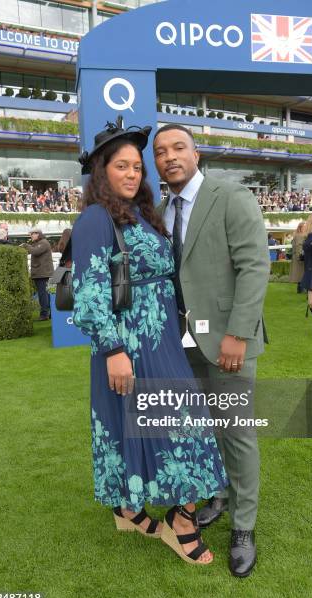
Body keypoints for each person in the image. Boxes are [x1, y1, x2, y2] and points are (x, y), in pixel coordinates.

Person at [72, 119, 227, 566]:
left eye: (137, 167)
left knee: (177, 425)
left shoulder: (143, 214)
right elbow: (89, 295)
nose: (133, 174)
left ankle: (134, 509)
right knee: (175, 426)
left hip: (163, 339)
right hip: (128, 346)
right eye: (121, 166)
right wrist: (113, 351)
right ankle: (176, 522)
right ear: (102, 172)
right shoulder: (94, 219)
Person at [153, 123, 270, 578]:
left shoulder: (231, 196)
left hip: (227, 342)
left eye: (178, 147)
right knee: (202, 430)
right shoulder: (161, 209)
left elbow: (254, 266)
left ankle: (244, 527)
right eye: (161, 152)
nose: (170, 157)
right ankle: (218, 495)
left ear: (195, 153)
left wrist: (238, 333)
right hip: (181, 344)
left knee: (236, 431)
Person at [20, 227, 54, 321]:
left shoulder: (43, 243)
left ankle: (44, 315)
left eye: (32, 234)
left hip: (43, 273)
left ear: (37, 234)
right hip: (42, 273)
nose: (30, 236)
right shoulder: (38, 243)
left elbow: (35, 251)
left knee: (43, 294)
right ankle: (49, 313)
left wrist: (25, 245)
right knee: (45, 294)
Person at [289, 222, 307, 293]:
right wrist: (300, 256)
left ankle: (300, 289)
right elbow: (298, 246)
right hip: (299, 256)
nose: (306, 228)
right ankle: (301, 289)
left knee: (300, 273)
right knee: (301, 273)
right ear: (301, 227)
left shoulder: (296, 235)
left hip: (297, 256)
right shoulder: (300, 235)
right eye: (304, 226)